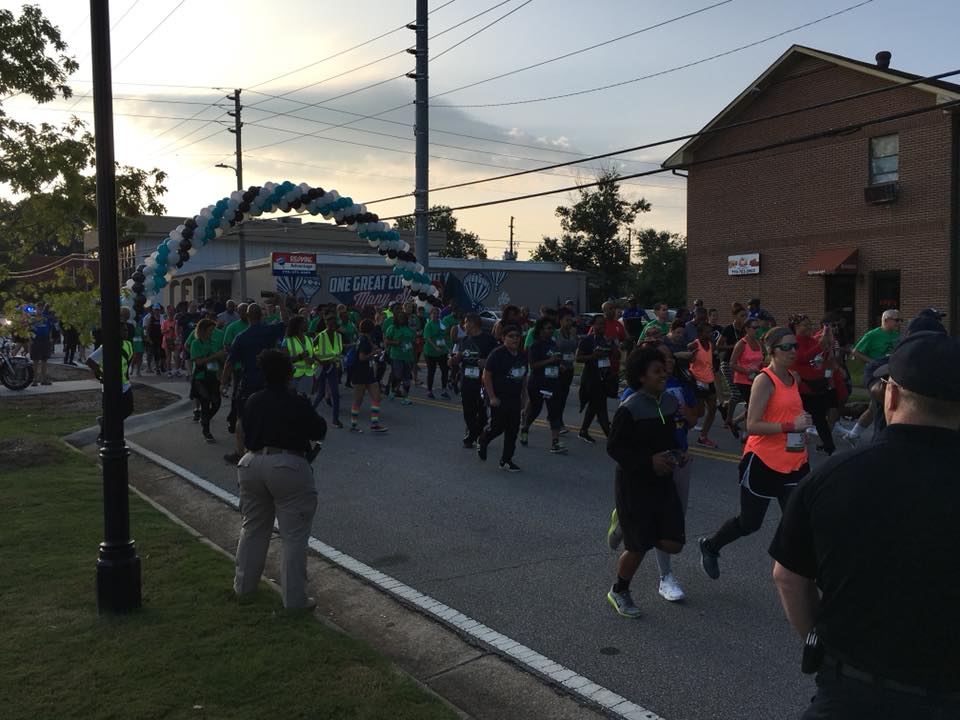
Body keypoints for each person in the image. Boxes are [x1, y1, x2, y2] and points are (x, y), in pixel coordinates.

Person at [769, 331, 960, 719]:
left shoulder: (833, 476)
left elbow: (788, 577)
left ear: (891, 396)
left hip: (854, 690)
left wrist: (820, 646)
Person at [698, 326, 813, 579]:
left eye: (795, 346)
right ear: (772, 351)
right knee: (750, 523)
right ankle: (711, 546)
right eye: (786, 347)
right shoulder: (764, 380)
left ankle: (796, 576)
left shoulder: (793, 378)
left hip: (795, 460)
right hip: (763, 461)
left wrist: (801, 426)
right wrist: (790, 426)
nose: (793, 351)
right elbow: (752, 425)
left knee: (798, 520)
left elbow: (786, 412)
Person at [233, 349, 327, 611]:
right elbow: (319, 429)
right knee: (293, 536)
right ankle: (295, 600)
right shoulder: (296, 401)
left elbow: (243, 429)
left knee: (253, 528)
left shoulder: (253, 400)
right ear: (289, 374)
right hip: (287, 465)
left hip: (251, 463)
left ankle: (244, 587)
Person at [604, 345, 682, 618]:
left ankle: (627, 525)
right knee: (638, 547)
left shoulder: (669, 402)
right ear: (641, 377)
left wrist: (677, 454)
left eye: (664, 369)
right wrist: (648, 461)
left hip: (663, 482)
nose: (663, 374)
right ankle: (620, 590)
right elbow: (614, 448)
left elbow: (669, 437)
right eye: (656, 371)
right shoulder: (630, 407)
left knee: (674, 543)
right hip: (634, 484)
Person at [221, 302, 289, 464]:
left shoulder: (241, 337)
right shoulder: (269, 331)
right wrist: (281, 303)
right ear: (261, 315)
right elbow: (286, 322)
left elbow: (229, 363)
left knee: (241, 418)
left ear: (247, 316)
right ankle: (270, 451)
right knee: (270, 415)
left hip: (248, 382)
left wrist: (223, 383)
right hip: (269, 381)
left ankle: (240, 453)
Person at [841, 309, 901, 445]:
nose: (899, 323)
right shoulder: (872, 335)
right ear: (886, 320)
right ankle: (880, 440)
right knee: (881, 406)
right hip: (876, 375)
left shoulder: (896, 335)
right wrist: (873, 362)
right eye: (897, 320)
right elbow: (855, 352)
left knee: (874, 407)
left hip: (890, 373)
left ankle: (853, 434)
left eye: (900, 320)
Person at [477, 323, 527, 472]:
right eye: (511, 336)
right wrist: (492, 397)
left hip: (514, 398)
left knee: (513, 430)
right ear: (504, 338)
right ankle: (483, 439)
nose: (515, 339)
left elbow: (524, 377)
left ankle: (506, 460)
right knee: (497, 427)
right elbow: (486, 376)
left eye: (517, 336)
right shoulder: (497, 354)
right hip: (498, 397)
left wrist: (524, 398)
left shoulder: (522, 355)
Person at [521, 317, 567, 454]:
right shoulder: (535, 346)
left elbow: (557, 359)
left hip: (552, 382)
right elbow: (533, 365)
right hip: (538, 383)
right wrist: (550, 360)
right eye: (548, 328)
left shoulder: (553, 344)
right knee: (536, 409)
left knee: (554, 411)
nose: (551, 330)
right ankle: (525, 427)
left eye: (552, 328)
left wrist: (560, 365)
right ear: (541, 330)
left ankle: (555, 442)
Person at [792, 314, 836, 455]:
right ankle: (793, 451)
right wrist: (821, 345)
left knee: (820, 419)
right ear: (796, 327)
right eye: (805, 325)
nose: (809, 328)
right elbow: (802, 358)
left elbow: (823, 359)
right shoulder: (793, 342)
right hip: (800, 388)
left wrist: (827, 346)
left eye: (810, 325)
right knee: (796, 420)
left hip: (816, 387)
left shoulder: (812, 340)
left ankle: (830, 449)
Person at [86, 320, 135, 443]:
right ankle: (103, 436)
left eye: (126, 330)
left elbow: (127, 363)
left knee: (128, 409)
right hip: (110, 386)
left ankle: (106, 422)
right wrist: (102, 375)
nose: (125, 332)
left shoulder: (128, 344)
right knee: (111, 412)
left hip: (125, 384)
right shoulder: (106, 347)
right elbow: (90, 361)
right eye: (123, 330)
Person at [454, 312, 497, 449]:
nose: (464, 325)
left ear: (473, 323)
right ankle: (473, 433)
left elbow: (497, 359)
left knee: (482, 411)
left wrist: (487, 362)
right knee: (468, 410)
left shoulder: (489, 340)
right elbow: (460, 357)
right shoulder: (464, 340)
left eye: (466, 322)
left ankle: (474, 434)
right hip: (466, 380)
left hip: (482, 382)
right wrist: (454, 359)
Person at [577, 313, 614, 442]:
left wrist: (613, 346)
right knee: (601, 407)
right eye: (599, 324)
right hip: (591, 379)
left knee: (594, 406)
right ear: (593, 325)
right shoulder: (587, 340)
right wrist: (593, 356)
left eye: (604, 324)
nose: (602, 326)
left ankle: (583, 431)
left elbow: (616, 355)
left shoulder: (605, 340)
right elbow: (578, 358)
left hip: (604, 378)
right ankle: (611, 438)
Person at [189, 318, 226, 442]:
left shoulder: (212, 342)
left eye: (213, 330)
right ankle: (207, 431)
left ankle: (205, 420)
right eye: (210, 330)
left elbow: (218, 360)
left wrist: (222, 357)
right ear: (202, 330)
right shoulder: (196, 343)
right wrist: (215, 356)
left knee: (217, 403)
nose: (212, 333)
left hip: (213, 376)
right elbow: (198, 361)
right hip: (200, 378)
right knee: (205, 403)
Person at [348, 319, 387, 433]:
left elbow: (371, 349)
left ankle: (374, 424)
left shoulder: (367, 339)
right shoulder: (363, 340)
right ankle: (353, 425)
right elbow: (362, 358)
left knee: (377, 397)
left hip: (369, 372)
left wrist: (376, 350)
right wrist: (374, 354)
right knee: (358, 400)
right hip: (360, 372)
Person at [729, 318, 764, 436]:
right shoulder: (741, 344)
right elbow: (732, 364)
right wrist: (746, 371)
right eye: (754, 327)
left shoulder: (759, 343)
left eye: (758, 327)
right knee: (753, 407)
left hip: (756, 379)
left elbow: (760, 361)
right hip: (743, 380)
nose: (757, 330)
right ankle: (747, 433)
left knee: (756, 407)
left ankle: (734, 422)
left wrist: (763, 369)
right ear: (747, 329)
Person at [688, 322, 719, 448]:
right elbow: (687, 354)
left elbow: (711, 358)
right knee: (700, 412)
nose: (710, 334)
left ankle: (703, 436)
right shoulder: (695, 344)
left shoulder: (711, 344)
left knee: (712, 409)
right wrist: (690, 357)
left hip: (709, 380)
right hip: (697, 380)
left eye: (710, 331)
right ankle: (682, 427)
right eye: (707, 332)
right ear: (700, 334)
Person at [314, 314, 344, 427]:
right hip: (322, 367)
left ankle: (335, 419)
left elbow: (338, 352)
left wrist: (338, 362)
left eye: (332, 325)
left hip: (333, 366)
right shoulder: (320, 336)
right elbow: (310, 350)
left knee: (335, 393)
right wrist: (319, 361)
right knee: (321, 394)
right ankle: (309, 413)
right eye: (328, 324)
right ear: (326, 324)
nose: (330, 327)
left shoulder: (338, 336)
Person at [384, 308, 415, 405]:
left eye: (403, 317)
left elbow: (412, 342)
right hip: (396, 355)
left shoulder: (409, 329)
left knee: (407, 378)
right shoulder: (392, 328)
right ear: (396, 318)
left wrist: (413, 356)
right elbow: (386, 340)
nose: (402, 319)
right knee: (397, 375)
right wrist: (395, 342)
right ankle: (393, 390)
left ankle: (405, 397)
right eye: (400, 317)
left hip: (408, 356)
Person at [283, 315, 316, 398]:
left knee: (305, 401)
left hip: (308, 375)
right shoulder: (287, 341)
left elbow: (314, 357)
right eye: (304, 322)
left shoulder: (310, 339)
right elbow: (284, 360)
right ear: (298, 325)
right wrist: (300, 357)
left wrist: (311, 361)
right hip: (293, 376)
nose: (307, 324)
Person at [422, 306, 451, 399]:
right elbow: (428, 338)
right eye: (434, 313)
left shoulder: (442, 323)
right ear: (430, 315)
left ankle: (444, 390)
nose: (436, 315)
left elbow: (445, 335)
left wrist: (447, 347)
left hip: (442, 351)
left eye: (437, 313)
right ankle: (429, 390)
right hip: (430, 352)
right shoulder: (428, 325)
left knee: (445, 370)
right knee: (431, 371)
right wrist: (435, 347)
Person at [29, 304, 55, 386]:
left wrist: (50, 339)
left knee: (44, 360)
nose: (39, 310)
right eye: (38, 309)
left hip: (45, 341)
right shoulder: (32, 319)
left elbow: (50, 329)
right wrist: (30, 340)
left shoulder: (46, 319)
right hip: (35, 341)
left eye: (41, 309)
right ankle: (35, 380)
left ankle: (43, 379)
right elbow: (28, 330)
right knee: (35, 361)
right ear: (35, 309)